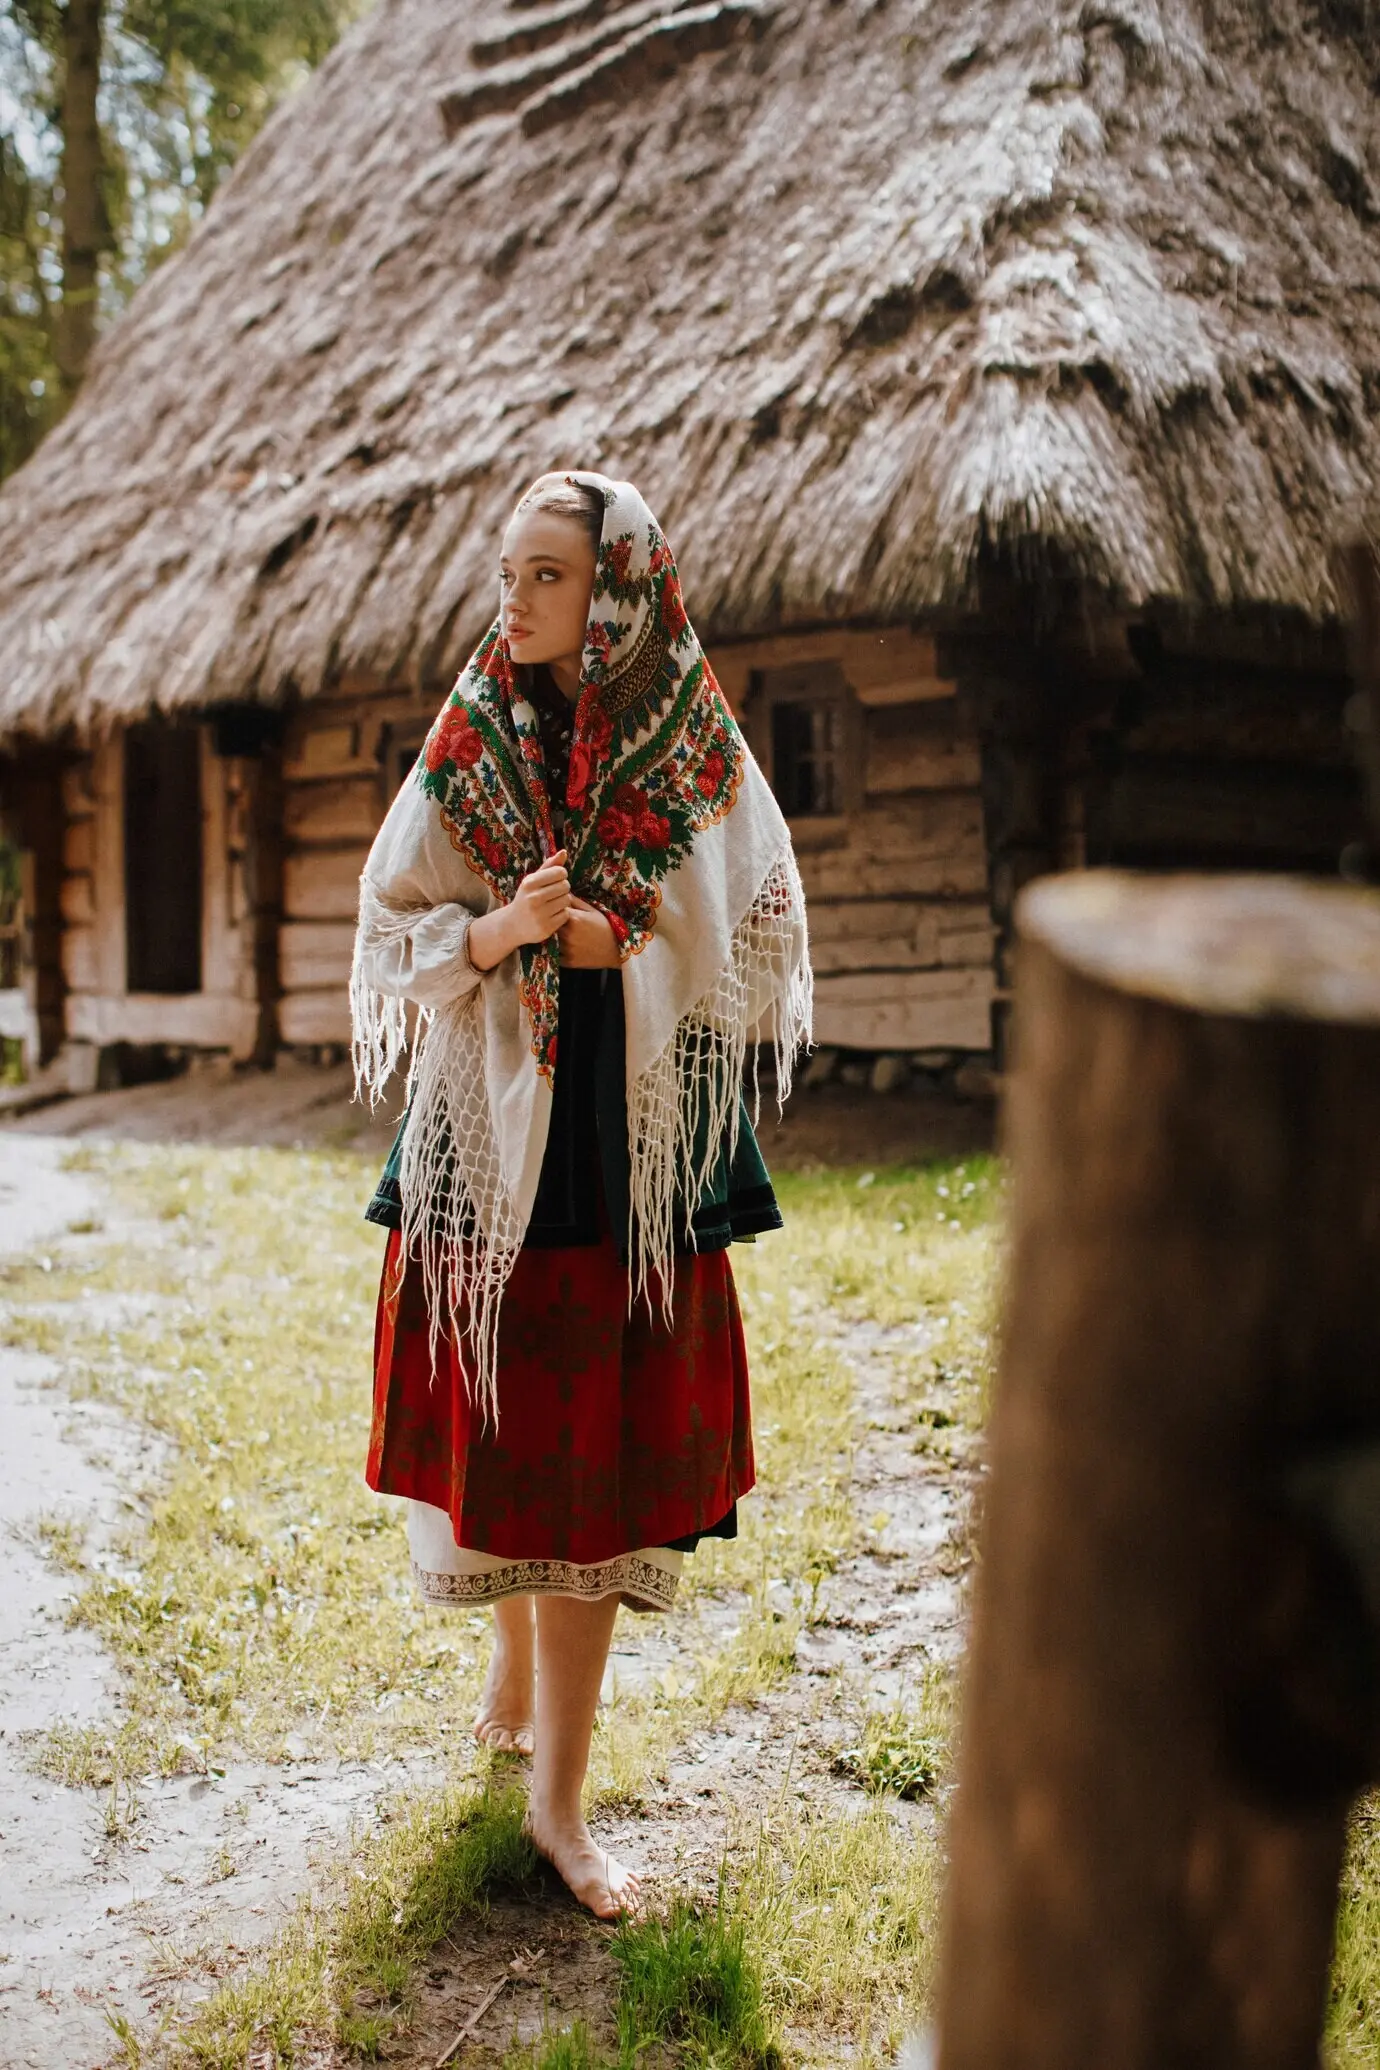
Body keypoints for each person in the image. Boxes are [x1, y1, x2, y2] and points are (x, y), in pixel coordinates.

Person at [351, 471, 811, 1917]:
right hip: (496, 1140)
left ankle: (558, 1806)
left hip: (628, 1141)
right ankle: (515, 1656)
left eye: (547, 574)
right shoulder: (475, 727)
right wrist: (498, 932)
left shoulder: (685, 725)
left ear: (616, 590)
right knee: (509, 1439)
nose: (517, 598)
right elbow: (390, 921)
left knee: (592, 1468)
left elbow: (761, 909)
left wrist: (631, 945)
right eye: (508, 573)